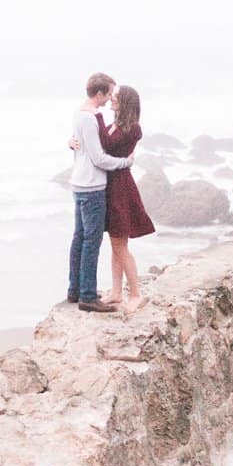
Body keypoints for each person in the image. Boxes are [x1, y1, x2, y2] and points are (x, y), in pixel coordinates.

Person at [67, 72, 134, 313]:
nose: (109, 99)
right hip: (92, 186)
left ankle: (74, 290)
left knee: (79, 238)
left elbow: (82, 146)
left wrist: (70, 143)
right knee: (91, 241)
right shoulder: (92, 117)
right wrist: (125, 162)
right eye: (108, 94)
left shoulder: (79, 112)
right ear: (99, 93)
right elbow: (99, 158)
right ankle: (87, 296)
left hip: (78, 183)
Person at [95, 86, 155, 312]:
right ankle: (117, 292)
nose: (111, 99)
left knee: (120, 245)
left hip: (120, 187)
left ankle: (136, 294)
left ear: (125, 103)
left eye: (115, 98)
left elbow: (107, 145)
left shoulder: (131, 129)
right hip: (112, 185)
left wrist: (96, 116)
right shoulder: (118, 125)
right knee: (116, 243)